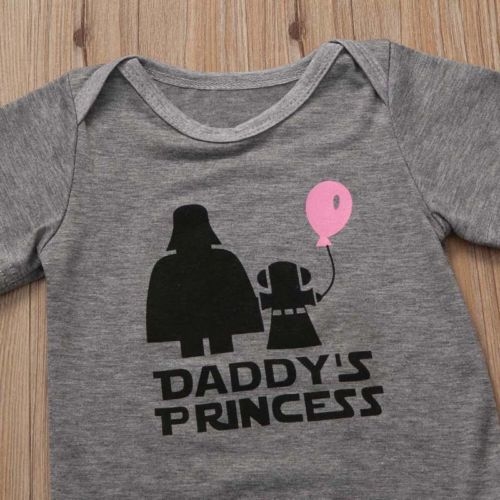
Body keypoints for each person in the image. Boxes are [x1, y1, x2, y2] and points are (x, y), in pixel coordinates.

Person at [146, 204, 264, 357]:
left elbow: (242, 296)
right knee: (206, 345)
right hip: (200, 324)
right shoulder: (225, 259)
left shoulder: (166, 266)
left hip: (208, 323)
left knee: (212, 345)